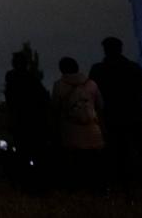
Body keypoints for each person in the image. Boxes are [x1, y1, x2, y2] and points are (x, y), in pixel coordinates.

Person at [89, 36, 142, 190]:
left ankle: (120, 182)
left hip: (111, 117)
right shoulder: (132, 68)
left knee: (116, 151)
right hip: (133, 115)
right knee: (139, 150)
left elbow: (92, 94)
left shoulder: (98, 69)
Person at [50, 56, 104, 192]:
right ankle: (98, 188)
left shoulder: (59, 86)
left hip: (70, 131)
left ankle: (79, 190)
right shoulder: (91, 84)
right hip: (92, 129)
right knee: (94, 163)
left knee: (76, 163)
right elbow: (100, 106)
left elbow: (55, 108)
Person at [3, 48, 50, 190]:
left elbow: (10, 99)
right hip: (33, 121)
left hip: (20, 121)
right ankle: (39, 182)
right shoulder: (32, 79)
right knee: (36, 152)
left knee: (23, 152)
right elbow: (44, 99)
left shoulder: (12, 79)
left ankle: (25, 182)